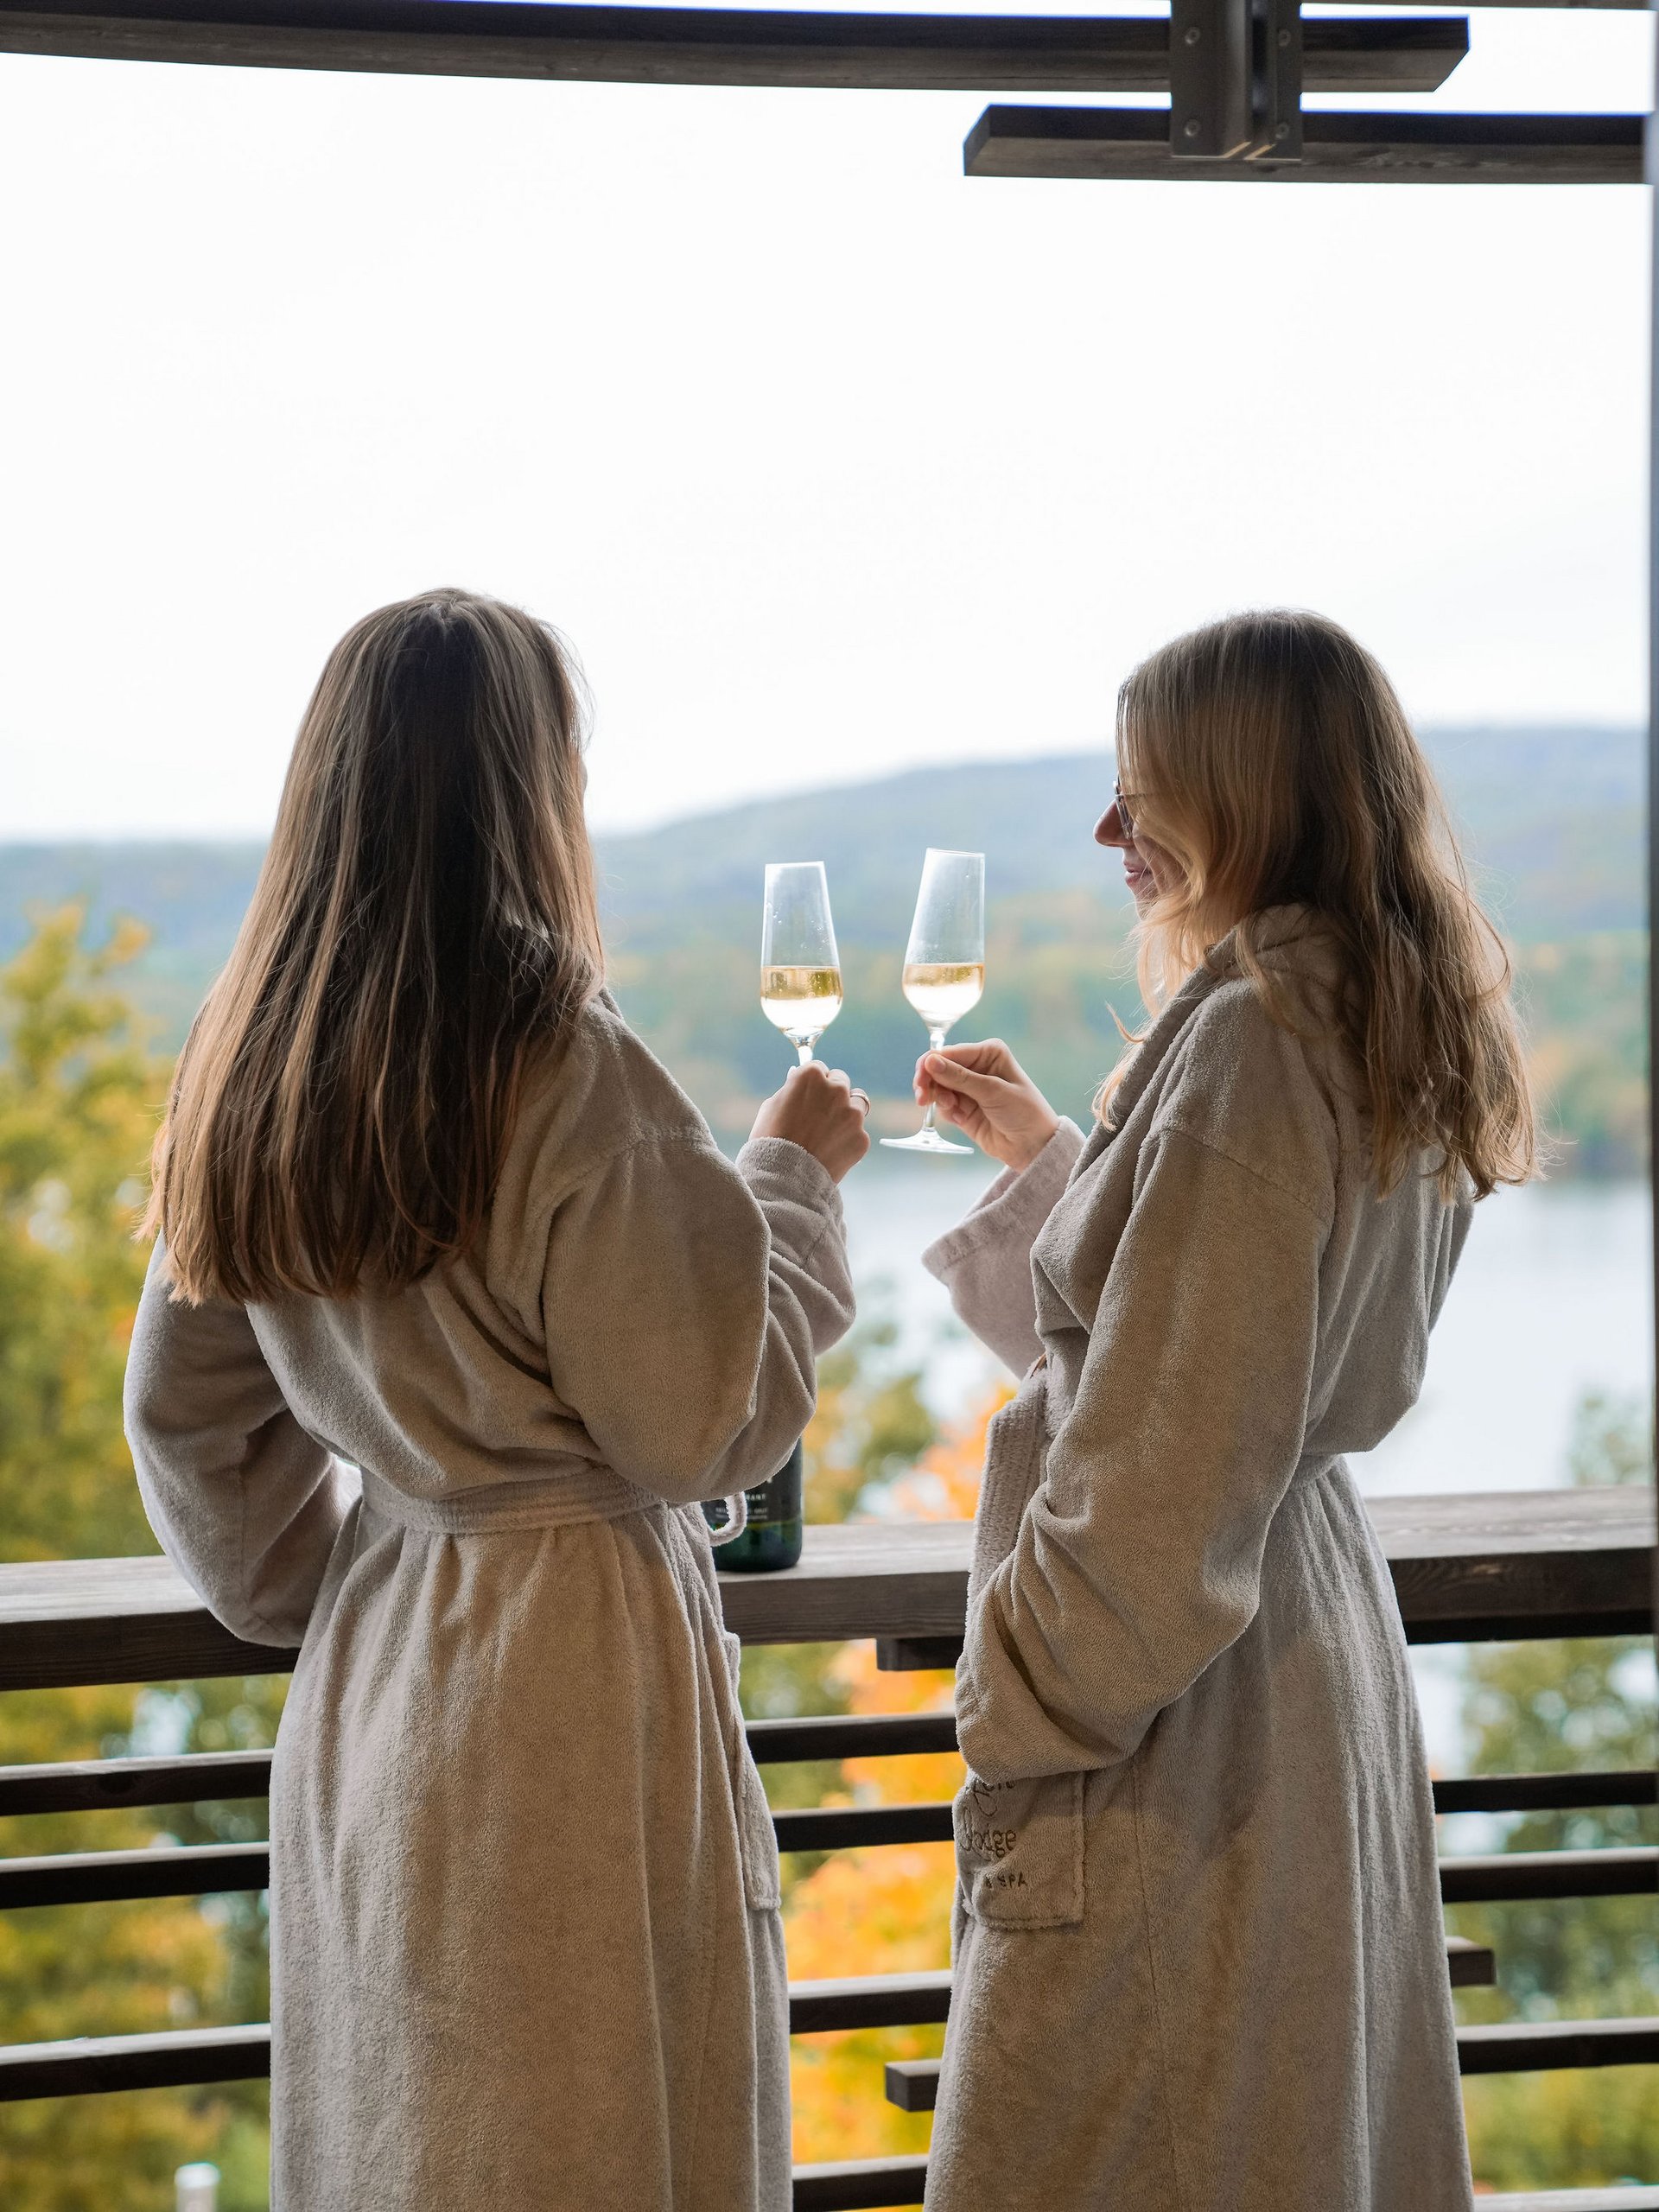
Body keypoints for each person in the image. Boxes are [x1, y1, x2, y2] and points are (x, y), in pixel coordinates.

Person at [124, 589, 872, 2211]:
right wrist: (793, 1189)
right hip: (568, 1691)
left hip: (381, 1676)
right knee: (587, 2141)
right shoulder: (566, 1062)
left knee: (412, 2142)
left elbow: (186, 1420)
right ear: (534, 787)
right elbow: (708, 1427)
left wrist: (341, 1589)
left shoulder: (251, 1055)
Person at [913, 610, 1533, 2212]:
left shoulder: (1253, 1046)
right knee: (1277, 2137)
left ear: (1250, 789)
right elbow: (1213, 1372)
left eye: (1147, 792)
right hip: (1305, 1642)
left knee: (1141, 2142)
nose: (1113, 832)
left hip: (1187, 1715)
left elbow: (1165, 1484)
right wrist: (1068, 1171)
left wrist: (1009, 1709)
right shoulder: (1366, 1017)